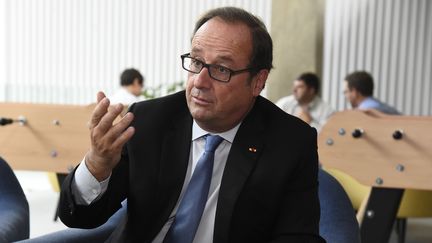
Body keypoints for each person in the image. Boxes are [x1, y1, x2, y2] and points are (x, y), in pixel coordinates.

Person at [59, 7, 324, 243]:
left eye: (221, 69)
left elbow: (298, 235)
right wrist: (97, 164)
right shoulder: (150, 121)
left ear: (257, 81)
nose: (199, 81)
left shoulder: (290, 143)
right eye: (196, 62)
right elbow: (82, 217)